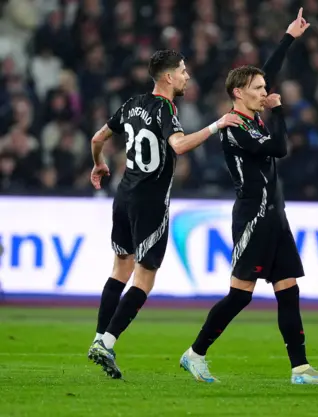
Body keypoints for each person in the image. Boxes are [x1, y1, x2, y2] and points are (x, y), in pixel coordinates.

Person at [179, 9, 318, 386]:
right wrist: (279, 109)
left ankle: (300, 370)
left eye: (265, 89)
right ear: (238, 93)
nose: (265, 92)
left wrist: (289, 37)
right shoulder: (234, 126)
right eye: (257, 89)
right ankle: (195, 353)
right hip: (254, 217)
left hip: (276, 217)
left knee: (289, 289)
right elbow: (280, 148)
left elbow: (265, 72)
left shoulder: (251, 115)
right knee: (240, 296)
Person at [87, 49, 244, 379]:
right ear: (168, 77)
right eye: (183, 71)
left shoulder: (132, 103)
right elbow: (179, 146)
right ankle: (108, 341)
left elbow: (98, 137)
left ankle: (100, 339)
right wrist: (217, 124)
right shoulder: (165, 108)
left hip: (123, 197)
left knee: (120, 268)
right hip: (150, 203)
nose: (187, 76)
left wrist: (99, 163)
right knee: (144, 278)